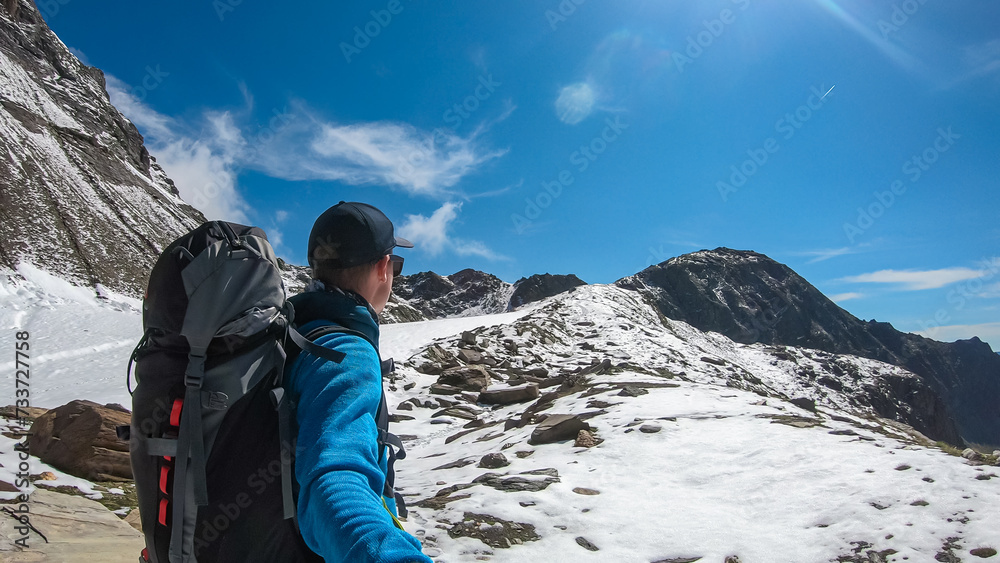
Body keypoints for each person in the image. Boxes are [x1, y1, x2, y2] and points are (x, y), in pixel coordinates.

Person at [285, 201, 432, 563]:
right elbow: (334, 478)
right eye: (395, 265)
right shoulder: (346, 352)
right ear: (383, 267)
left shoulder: (295, 329)